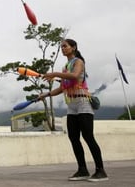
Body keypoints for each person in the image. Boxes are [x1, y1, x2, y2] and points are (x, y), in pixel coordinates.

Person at [37, 39, 108, 182]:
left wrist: (54, 74)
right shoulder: (65, 67)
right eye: (61, 47)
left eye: (65, 46)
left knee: (88, 137)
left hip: (83, 102)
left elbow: (75, 76)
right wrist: (46, 94)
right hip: (72, 105)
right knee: (74, 138)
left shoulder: (78, 62)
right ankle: (82, 170)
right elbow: (63, 87)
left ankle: (101, 171)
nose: (63, 49)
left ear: (73, 47)